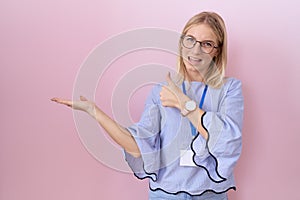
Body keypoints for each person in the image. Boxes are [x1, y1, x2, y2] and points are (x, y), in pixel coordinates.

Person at [51, 11, 243, 200]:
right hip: (165, 195)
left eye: (207, 44)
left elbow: (226, 141)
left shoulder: (229, 89)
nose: (195, 50)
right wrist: (94, 111)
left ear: (217, 50)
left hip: (211, 194)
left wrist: (182, 103)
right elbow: (138, 147)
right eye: (190, 40)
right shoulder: (161, 92)